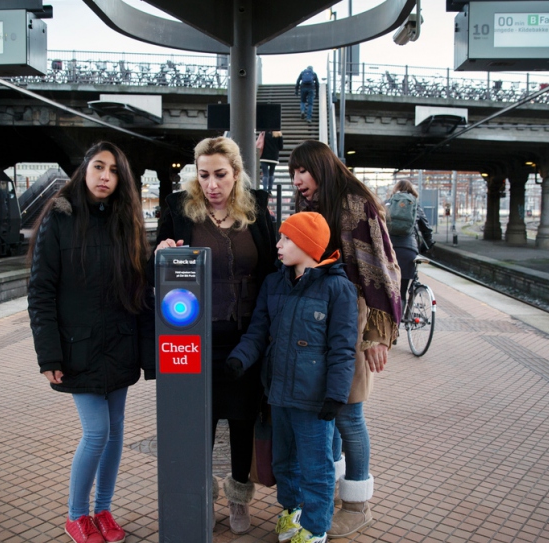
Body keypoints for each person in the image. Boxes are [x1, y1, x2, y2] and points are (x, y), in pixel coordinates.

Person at [28, 142, 155, 543]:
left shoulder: (125, 221)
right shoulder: (60, 219)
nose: (105, 176)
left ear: (122, 180)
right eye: (98, 167)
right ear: (83, 171)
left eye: (114, 170)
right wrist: (48, 354)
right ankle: (76, 515)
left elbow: (141, 284)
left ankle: (103, 510)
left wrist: (162, 254)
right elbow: (41, 292)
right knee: (97, 432)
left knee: (116, 431)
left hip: (118, 342)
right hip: (77, 347)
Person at [151, 136, 278, 534]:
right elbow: (157, 263)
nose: (211, 185)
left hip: (247, 337)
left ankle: (239, 499)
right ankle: (201, 495)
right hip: (196, 337)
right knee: (196, 423)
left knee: (242, 420)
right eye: (203, 175)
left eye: (220, 175)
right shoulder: (178, 208)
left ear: (236, 174)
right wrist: (161, 254)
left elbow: (272, 268)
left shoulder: (255, 207)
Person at [288, 140, 403, 539]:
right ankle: (337, 493)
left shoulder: (354, 202)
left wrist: (377, 334)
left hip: (353, 319)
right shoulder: (313, 206)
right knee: (331, 410)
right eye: (293, 174)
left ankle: (356, 502)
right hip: (321, 322)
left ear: (320, 166)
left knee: (349, 413)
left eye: (302, 171)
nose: (298, 180)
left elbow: (381, 267)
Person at [225, 211, 357, 543]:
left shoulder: (338, 289)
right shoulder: (274, 283)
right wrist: (239, 360)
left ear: (308, 245)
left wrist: (336, 396)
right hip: (278, 394)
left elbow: (343, 350)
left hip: (315, 400)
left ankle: (315, 529)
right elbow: (258, 332)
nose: (278, 244)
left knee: (316, 467)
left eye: (286, 238)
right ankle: (291, 511)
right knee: (284, 462)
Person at [386, 179, 435, 302]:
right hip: (408, 250)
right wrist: (425, 247)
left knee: (387, 290)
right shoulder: (415, 205)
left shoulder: (387, 204)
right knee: (401, 293)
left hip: (388, 251)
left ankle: (388, 318)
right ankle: (400, 320)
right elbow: (427, 230)